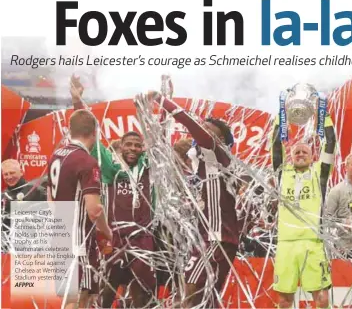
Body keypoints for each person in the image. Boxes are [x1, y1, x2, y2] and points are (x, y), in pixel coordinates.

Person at [69, 78, 157, 308]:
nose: (132, 149)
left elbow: (156, 141)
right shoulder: (111, 169)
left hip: (143, 239)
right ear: (121, 146)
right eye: (128, 144)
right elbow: (93, 140)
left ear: (142, 150)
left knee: (142, 294)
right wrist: (78, 101)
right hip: (115, 239)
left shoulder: (148, 168)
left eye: (137, 146)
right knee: (107, 292)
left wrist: (146, 111)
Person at [150, 91, 239, 308]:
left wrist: (163, 100)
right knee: (205, 299)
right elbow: (159, 148)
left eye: (208, 131)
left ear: (219, 140)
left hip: (217, 238)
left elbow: (194, 128)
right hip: (204, 239)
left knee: (188, 295)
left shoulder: (217, 154)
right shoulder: (199, 169)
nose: (200, 134)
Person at [47, 108, 113, 309]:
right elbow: (94, 210)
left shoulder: (56, 155)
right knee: (76, 299)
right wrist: (107, 231)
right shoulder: (87, 161)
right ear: (94, 133)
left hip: (59, 234)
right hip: (78, 239)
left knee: (72, 297)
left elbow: (49, 197)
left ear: (69, 130)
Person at [270, 109, 336, 309]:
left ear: (312, 156)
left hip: (313, 242)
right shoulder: (283, 173)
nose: (300, 154)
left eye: (304, 152)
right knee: (283, 300)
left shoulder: (319, 172)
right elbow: (275, 144)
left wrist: (322, 112)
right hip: (286, 243)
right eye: (296, 152)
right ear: (291, 157)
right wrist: (282, 114)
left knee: (321, 297)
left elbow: (330, 141)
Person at [1, 159, 46, 251]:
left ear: (21, 172)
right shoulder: (3, 197)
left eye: (12, 173)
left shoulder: (37, 191)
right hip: (9, 250)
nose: (9, 177)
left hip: (34, 249)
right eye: (6, 174)